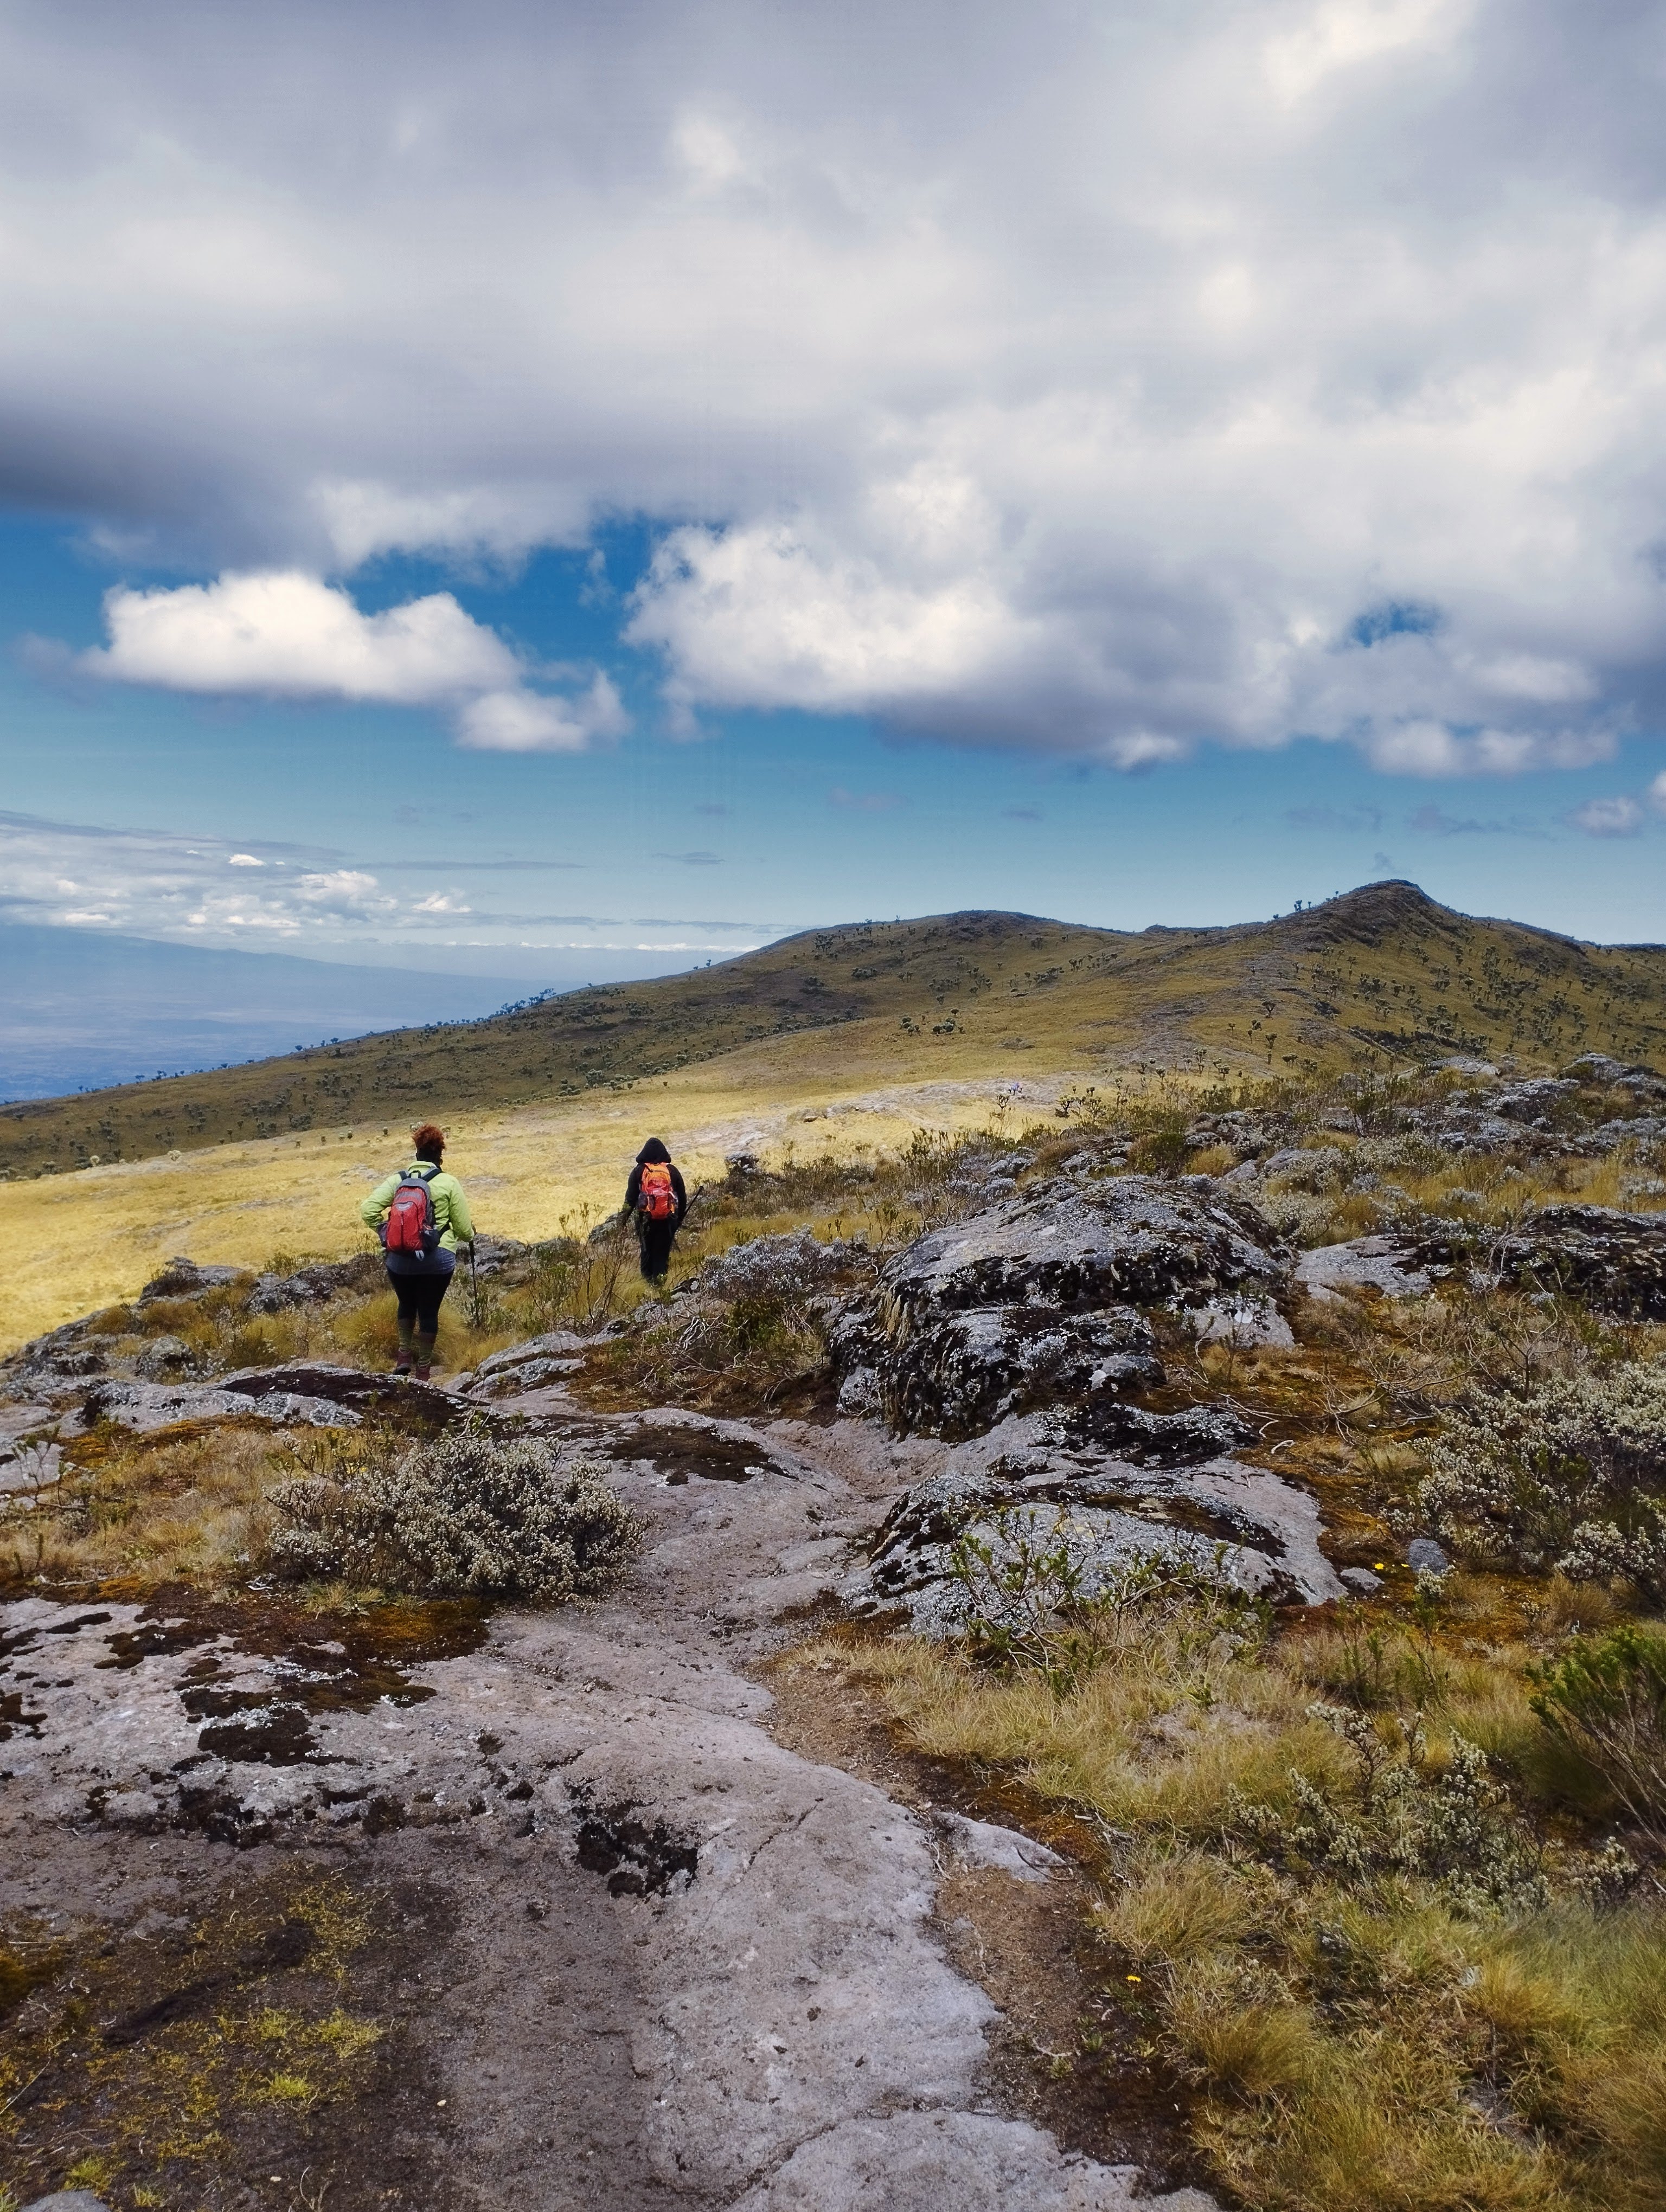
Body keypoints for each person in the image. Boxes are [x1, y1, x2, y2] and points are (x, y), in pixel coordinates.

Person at [360, 1122, 475, 1380]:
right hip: (438, 1261)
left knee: (406, 1303)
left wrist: (385, 1231)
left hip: (400, 1260)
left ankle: (403, 1357)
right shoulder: (449, 1183)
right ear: (440, 1156)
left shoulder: (398, 1181)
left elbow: (367, 1210)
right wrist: (465, 1235)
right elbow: (464, 1230)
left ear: (416, 1154)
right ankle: (423, 1371)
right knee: (429, 1311)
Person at [622, 1137, 687, 1284]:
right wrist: (678, 1220)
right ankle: (661, 1286)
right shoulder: (672, 1171)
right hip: (667, 1219)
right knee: (662, 1254)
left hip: (645, 1220)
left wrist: (622, 1222)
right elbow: (682, 1198)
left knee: (647, 1252)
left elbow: (630, 1200)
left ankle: (647, 1286)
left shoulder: (638, 1171)